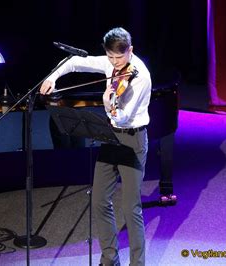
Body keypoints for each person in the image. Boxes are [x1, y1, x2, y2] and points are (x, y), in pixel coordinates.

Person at [40, 27, 151, 266]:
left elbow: (123, 116)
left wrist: (106, 102)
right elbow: (75, 62)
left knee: (131, 208)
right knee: (100, 200)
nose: (114, 63)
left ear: (130, 50)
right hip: (111, 137)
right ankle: (109, 259)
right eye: (110, 57)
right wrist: (52, 77)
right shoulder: (110, 64)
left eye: (119, 58)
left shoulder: (141, 76)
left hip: (132, 140)